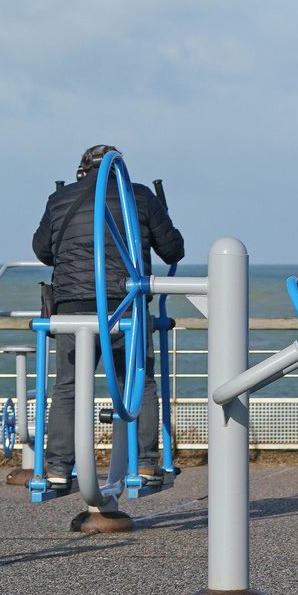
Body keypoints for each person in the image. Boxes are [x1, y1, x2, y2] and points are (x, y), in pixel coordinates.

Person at [31, 145, 184, 492]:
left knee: (67, 388)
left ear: (82, 171)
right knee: (139, 385)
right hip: (124, 304)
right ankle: (145, 465)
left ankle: (56, 469)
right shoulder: (139, 196)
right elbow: (173, 249)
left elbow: (42, 251)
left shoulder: (60, 199)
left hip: (72, 309)